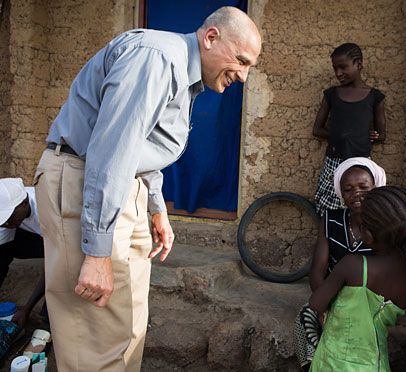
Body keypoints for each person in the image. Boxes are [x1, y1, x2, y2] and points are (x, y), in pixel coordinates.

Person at [33, 7, 261, 371]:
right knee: (96, 333)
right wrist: (95, 253)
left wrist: (156, 208)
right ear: (212, 37)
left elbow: (140, 147)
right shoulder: (157, 59)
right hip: (86, 182)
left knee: (127, 325)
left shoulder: (184, 72)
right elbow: (111, 152)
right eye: (242, 60)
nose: (244, 76)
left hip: (120, 186)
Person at [306, 186, 406, 371]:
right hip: (375, 365)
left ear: (367, 234)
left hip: (332, 363)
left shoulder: (353, 265)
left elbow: (315, 304)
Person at [295, 157, 386, 369]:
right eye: (348, 189)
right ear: (341, 194)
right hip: (331, 293)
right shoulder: (331, 219)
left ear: (376, 187)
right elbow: (318, 270)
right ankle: (311, 366)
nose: (356, 194)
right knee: (306, 316)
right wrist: (327, 306)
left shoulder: (385, 226)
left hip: (367, 300)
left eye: (364, 187)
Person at [312, 43, 387, 216]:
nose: (338, 73)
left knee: (359, 207)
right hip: (333, 161)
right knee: (328, 208)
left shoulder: (375, 97)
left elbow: (382, 135)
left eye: (343, 67)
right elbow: (317, 130)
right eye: (335, 68)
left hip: (361, 165)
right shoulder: (331, 94)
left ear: (359, 65)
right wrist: (343, 135)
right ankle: (331, 239)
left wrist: (371, 135)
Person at [0, 178, 45, 328]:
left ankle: (46, 321)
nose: (6, 223)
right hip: (36, 239)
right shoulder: (8, 219)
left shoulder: (45, 210)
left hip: (66, 241)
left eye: (8, 218)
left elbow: (55, 265)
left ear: (24, 204)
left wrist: (26, 309)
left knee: (62, 272)